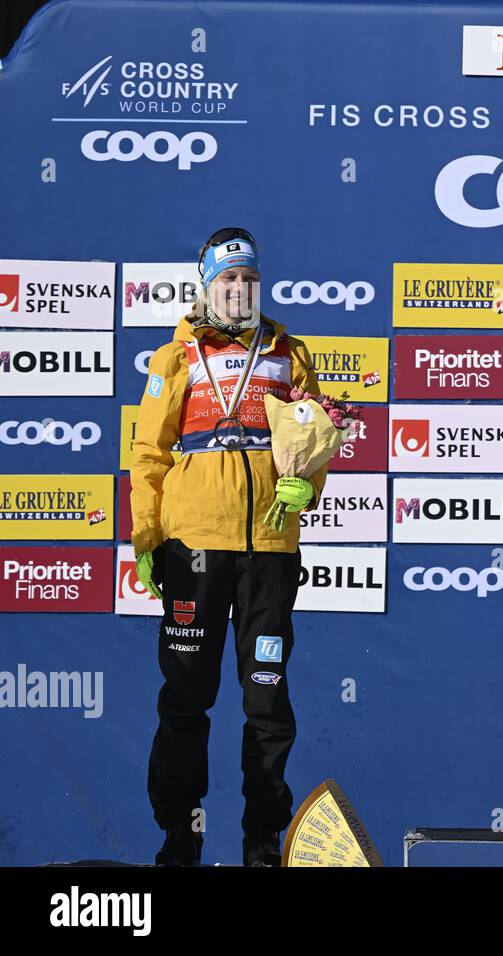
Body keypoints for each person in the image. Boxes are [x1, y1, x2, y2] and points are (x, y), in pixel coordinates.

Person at [131, 227, 329, 866]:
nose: (239, 292)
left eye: (248, 280)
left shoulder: (289, 353)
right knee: (187, 695)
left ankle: (262, 839)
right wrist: (148, 539)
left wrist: (304, 483)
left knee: (267, 698)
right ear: (207, 285)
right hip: (193, 547)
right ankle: (180, 835)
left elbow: (314, 432)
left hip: (270, 547)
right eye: (227, 281)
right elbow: (149, 456)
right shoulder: (175, 358)